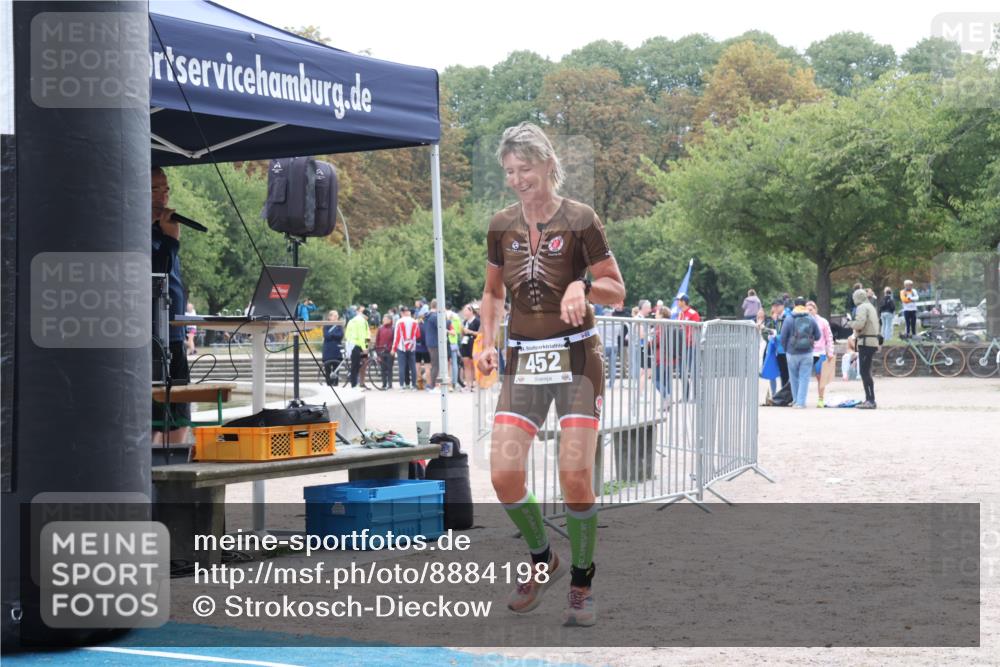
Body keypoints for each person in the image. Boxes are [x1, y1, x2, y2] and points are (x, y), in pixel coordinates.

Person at [478, 122, 625, 627]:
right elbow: (494, 294)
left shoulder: (581, 219)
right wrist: (485, 340)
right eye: (510, 172)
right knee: (502, 474)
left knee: (574, 475)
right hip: (522, 360)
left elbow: (617, 289)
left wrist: (584, 285)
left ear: (547, 164)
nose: (518, 179)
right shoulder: (501, 225)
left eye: (526, 169)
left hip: (577, 360)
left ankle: (582, 582)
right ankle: (545, 559)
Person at [151, 167, 191, 446]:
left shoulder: (163, 229)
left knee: (178, 416)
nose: (163, 198)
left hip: (174, 333)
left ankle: (176, 484)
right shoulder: (130, 229)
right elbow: (155, 276)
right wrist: (169, 241)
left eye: (166, 190)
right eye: (155, 189)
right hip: (152, 336)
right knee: (151, 418)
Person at [780, 296, 821, 409]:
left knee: (793, 377)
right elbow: (818, 336)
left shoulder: (789, 318)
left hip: (791, 353)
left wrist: (786, 349)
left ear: (795, 305)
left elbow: (783, 337)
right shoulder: (811, 318)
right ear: (804, 305)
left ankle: (795, 400)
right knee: (804, 378)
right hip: (807, 353)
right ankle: (801, 402)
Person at [849, 288, 880, 409]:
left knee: (864, 372)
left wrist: (850, 323)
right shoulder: (870, 306)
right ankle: (869, 398)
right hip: (872, 341)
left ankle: (870, 400)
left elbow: (859, 324)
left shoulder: (862, 307)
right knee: (866, 371)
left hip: (866, 342)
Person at [805, 301, 835, 408]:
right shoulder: (803, 321)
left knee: (820, 377)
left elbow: (829, 338)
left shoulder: (823, 322)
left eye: (811, 309)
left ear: (815, 310)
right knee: (804, 376)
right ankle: (801, 399)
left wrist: (830, 352)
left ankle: (821, 399)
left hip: (820, 352)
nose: (809, 312)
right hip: (807, 352)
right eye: (807, 309)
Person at [392, 306, 419, 390]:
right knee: (413, 366)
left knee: (402, 366)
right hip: (412, 346)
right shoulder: (415, 322)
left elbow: (397, 336)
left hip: (401, 346)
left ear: (402, 313)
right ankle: (413, 385)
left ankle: (401, 385)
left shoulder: (399, 322)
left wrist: (393, 348)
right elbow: (418, 335)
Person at [344, 304, 370, 388]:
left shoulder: (352, 320)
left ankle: (357, 383)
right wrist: (365, 348)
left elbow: (347, 333)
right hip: (358, 346)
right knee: (358, 365)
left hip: (351, 345)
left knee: (357, 364)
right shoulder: (363, 321)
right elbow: (363, 336)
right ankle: (355, 385)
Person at [460, 304, 480, 391]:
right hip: (465, 343)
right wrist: (463, 331)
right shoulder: (464, 322)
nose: (464, 313)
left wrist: (470, 332)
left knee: (473, 364)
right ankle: (468, 385)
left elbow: (480, 333)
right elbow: (463, 334)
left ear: (471, 311)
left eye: (466, 311)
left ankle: (475, 384)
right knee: (466, 364)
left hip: (474, 343)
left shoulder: (477, 321)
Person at [424, 299, 443, 391]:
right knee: (436, 364)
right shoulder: (435, 317)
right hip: (435, 342)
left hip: (429, 342)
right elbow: (442, 327)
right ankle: (432, 385)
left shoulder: (427, 316)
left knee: (434, 363)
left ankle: (432, 384)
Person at [321, 310, 344, 385]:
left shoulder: (339, 326)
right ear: (329, 317)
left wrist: (332, 335)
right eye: (334, 316)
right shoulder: (326, 326)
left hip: (337, 351)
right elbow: (326, 335)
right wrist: (334, 335)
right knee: (327, 369)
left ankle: (335, 384)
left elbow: (340, 336)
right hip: (327, 350)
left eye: (337, 316)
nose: (336, 317)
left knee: (336, 369)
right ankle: (329, 384)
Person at [374, 314, 395, 389]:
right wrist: (377, 351)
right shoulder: (380, 329)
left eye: (385, 319)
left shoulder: (393, 329)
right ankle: (384, 383)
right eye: (383, 319)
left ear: (389, 320)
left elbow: (394, 340)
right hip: (381, 351)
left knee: (389, 368)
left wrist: (392, 349)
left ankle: (390, 384)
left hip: (389, 352)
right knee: (382, 369)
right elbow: (377, 340)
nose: (383, 320)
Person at [447, 305, 464, 389]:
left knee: (447, 363)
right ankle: (455, 382)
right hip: (454, 341)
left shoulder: (444, 315)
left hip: (447, 341)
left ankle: (448, 383)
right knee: (455, 363)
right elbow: (460, 329)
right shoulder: (457, 317)